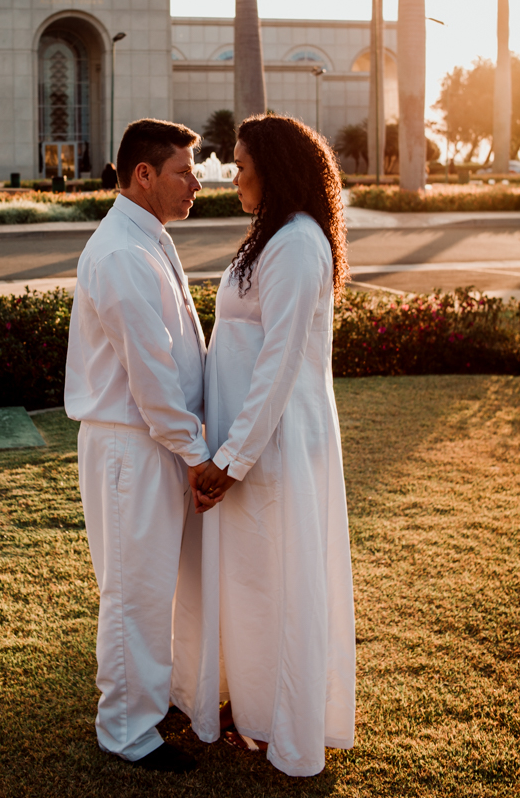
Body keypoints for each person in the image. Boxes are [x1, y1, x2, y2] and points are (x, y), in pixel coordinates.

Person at [171, 113, 356, 777]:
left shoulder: (299, 244)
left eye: (243, 165)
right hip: (250, 448)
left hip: (272, 451)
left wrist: (230, 460)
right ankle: (254, 713)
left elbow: (278, 365)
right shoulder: (275, 236)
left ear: (273, 169)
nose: (234, 174)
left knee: (279, 588)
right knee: (252, 587)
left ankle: (288, 729)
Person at [65, 118, 210, 774]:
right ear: (144, 175)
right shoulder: (123, 251)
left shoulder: (147, 237)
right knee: (133, 588)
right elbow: (149, 371)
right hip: (132, 445)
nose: (197, 184)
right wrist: (196, 452)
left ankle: (158, 699)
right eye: (184, 171)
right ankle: (126, 730)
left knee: (156, 584)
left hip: (153, 442)